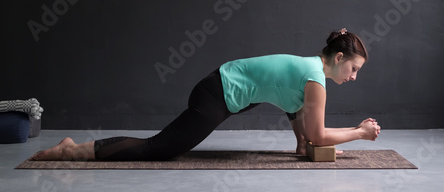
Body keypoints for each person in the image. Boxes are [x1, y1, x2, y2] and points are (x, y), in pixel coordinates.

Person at [32, 28, 380, 161]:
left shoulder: (309, 71)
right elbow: (320, 133)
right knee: (160, 148)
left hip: (221, 85)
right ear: (338, 58)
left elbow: (293, 107)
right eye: (353, 69)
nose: (353, 77)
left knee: (285, 103)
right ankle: (73, 149)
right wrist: (360, 133)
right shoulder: (315, 79)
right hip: (216, 94)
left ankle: (74, 148)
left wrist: (302, 145)